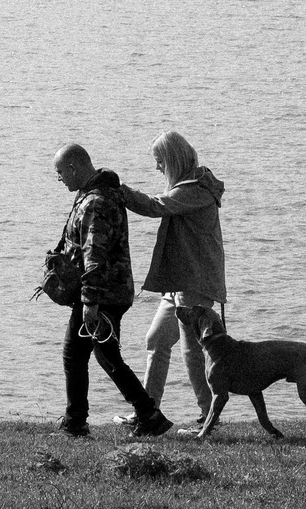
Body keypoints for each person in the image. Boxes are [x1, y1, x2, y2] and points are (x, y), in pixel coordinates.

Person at [47, 142, 170, 440]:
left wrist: (90, 301)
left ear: (75, 167)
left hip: (102, 294)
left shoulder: (95, 203)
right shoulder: (93, 195)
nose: (60, 179)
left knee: (77, 355)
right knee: (104, 355)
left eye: (61, 172)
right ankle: (148, 415)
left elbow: (95, 255)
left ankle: (77, 422)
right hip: (109, 291)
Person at [118, 131, 227, 422]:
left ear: (172, 160)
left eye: (159, 162)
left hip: (195, 284)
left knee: (193, 354)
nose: (157, 168)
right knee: (156, 339)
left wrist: (119, 190)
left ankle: (208, 415)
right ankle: (147, 410)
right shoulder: (192, 186)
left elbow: (156, 206)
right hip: (179, 282)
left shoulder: (195, 190)